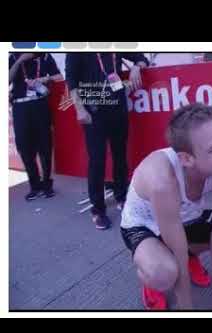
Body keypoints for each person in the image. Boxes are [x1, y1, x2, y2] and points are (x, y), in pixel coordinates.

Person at [120, 103, 212, 310]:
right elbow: (177, 250)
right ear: (186, 159)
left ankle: (190, 255)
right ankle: (151, 280)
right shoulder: (163, 181)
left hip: (186, 218)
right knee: (164, 273)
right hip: (145, 226)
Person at [65, 52, 149, 230]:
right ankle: (98, 209)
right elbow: (71, 81)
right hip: (93, 110)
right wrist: (80, 109)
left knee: (120, 154)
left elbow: (141, 58)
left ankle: (121, 196)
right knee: (97, 160)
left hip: (118, 107)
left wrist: (136, 67)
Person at [9, 53, 63, 201]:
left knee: (45, 146)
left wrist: (46, 78)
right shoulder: (13, 56)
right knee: (24, 148)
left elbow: (59, 76)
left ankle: (47, 185)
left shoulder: (44, 56)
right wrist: (20, 60)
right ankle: (34, 185)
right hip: (20, 107)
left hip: (40, 104)